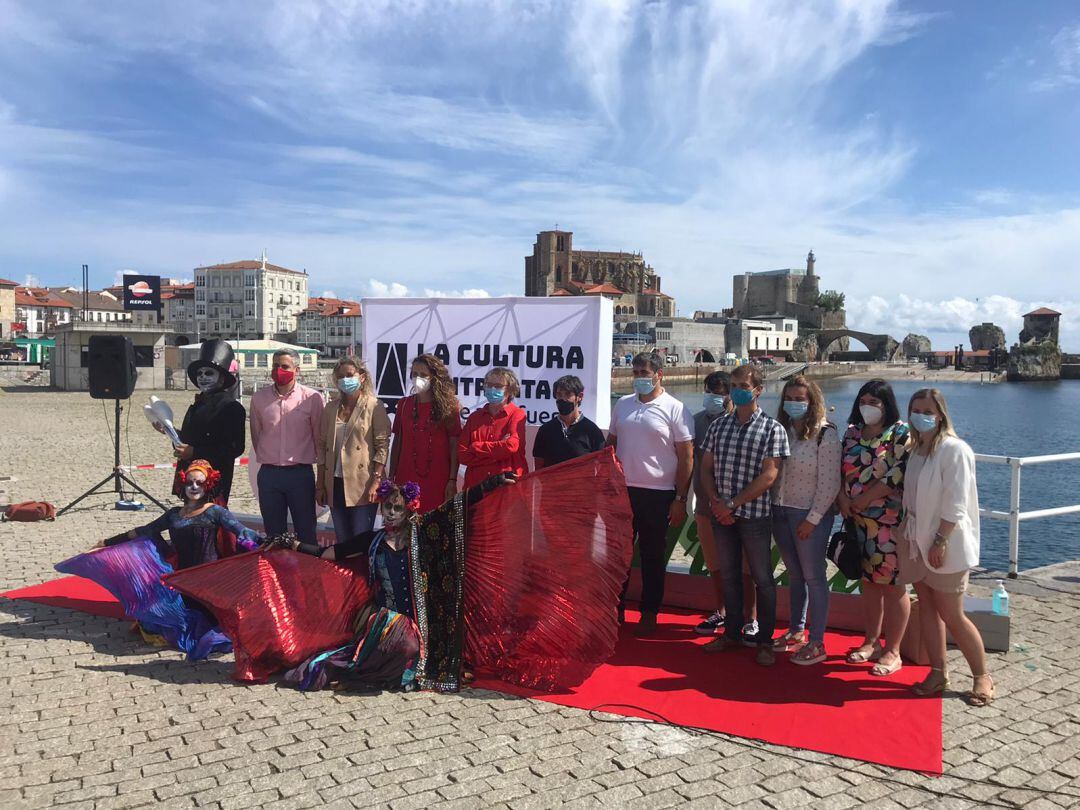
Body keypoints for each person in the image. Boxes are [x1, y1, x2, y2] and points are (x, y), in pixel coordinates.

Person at [280, 474, 516, 692]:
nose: (391, 513)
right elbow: (328, 553)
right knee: (395, 647)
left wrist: (488, 486)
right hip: (383, 620)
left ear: (409, 511)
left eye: (398, 508)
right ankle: (366, 673)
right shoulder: (372, 541)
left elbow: (453, 511)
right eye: (388, 507)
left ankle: (377, 674)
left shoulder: (422, 534)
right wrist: (291, 544)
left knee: (409, 647)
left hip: (417, 623)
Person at [57, 459, 263, 658]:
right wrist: (108, 542)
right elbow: (144, 531)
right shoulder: (174, 514)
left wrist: (266, 542)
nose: (194, 487)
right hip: (181, 580)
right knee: (161, 616)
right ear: (183, 484)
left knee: (207, 624)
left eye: (199, 482)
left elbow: (242, 531)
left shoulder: (215, 512)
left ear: (207, 485)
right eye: (190, 482)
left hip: (209, 583)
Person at [900, 389, 993, 706]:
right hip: (917, 541)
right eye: (915, 409)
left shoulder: (954, 450)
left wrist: (940, 541)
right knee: (926, 607)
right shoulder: (917, 450)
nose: (920, 415)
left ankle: (981, 675)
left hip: (945, 544)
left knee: (953, 614)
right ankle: (938, 671)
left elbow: (956, 504)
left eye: (927, 410)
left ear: (940, 413)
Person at [699, 364, 789, 665]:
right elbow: (706, 468)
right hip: (721, 515)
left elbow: (769, 476)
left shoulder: (773, 429)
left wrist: (731, 504)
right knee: (730, 576)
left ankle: (764, 640)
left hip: (755, 517)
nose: (737, 390)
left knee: (762, 578)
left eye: (743, 385)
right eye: (734, 384)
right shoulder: (718, 426)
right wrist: (715, 502)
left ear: (757, 390)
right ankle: (732, 634)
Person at [607, 351, 694, 636]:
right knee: (618, 556)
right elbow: (611, 444)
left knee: (652, 557)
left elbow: (687, 457)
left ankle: (649, 611)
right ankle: (614, 609)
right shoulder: (622, 405)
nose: (640, 378)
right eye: (636, 373)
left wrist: (680, 498)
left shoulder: (676, 408)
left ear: (659, 375)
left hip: (658, 494)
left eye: (645, 373)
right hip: (623, 492)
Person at [837, 379, 911, 677]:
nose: (868, 407)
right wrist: (843, 499)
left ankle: (893, 650)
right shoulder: (852, 433)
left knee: (893, 585)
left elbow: (898, 473)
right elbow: (840, 468)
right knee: (868, 582)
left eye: (875, 402)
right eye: (864, 401)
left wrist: (866, 498)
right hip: (855, 519)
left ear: (887, 405)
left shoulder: (900, 433)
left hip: (887, 522)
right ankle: (871, 641)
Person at [770, 375, 841, 665]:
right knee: (795, 576)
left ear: (812, 401)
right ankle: (796, 630)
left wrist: (812, 519)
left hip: (808, 514)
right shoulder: (783, 430)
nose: (794, 403)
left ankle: (817, 641)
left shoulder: (826, 435)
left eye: (800, 399)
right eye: (790, 398)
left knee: (814, 577)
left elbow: (829, 483)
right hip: (781, 510)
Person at [691, 371, 758, 637]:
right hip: (707, 507)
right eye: (710, 391)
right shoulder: (695, 422)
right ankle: (722, 611)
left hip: (740, 508)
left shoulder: (742, 423)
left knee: (745, 567)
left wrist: (733, 502)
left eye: (721, 393)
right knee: (715, 565)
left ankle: (749, 617)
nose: (715, 397)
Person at [249, 348, 324, 544]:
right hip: (269, 475)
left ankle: (308, 574)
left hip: (300, 475)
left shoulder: (312, 398)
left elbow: (319, 438)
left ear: (296, 370)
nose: (279, 370)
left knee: (306, 532)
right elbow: (256, 435)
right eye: (275, 366)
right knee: (274, 535)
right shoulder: (259, 398)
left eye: (284, 366)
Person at [316, 356, 391, 544]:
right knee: (342, 540)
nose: (345, 380)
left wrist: (376, 481)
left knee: (360, 540)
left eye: (349, 375)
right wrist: (320, 485)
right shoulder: (330, 408)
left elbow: (382, 446)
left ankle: (361, 574)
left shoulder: (374, 406)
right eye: (340, 376)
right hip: (334, 483)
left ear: (362, 377)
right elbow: (322, 447)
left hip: (362, 484)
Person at [172, 339, 246, 506]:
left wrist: (194, 452)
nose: (203, 377)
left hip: (213, 479)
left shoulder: (231, 408)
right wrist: (172, 433)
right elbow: (191, 438)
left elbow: (234, 448)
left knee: (209, 525)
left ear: (221, 379)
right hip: (190, 475)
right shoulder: (198, 404)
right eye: (200, 373)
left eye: (209, 373)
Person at [388, 354, 462, 512]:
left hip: (438, 479)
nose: (417, 378)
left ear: (435, 377)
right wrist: (391, 475)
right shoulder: (404, 404)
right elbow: (398, 441)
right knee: (406, 527)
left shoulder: (450, 407)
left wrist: (452, 479)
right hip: (405, 478)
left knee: (433, 528)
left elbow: (454, 444)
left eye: (423, 375)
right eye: (414, 374)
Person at [458, 367, 528, 489]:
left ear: (510, 390)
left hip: (507, 488)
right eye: (489, 385)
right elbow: (462, 455)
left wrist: (475, 447)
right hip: (477, 488)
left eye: (498, 386)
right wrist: (500, 451)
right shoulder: (474, 418)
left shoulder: (517, 414)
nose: (492, 389)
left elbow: (511, 446)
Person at [532, 375, 605, 469]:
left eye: (568, 394)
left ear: (580, 397)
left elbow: (601, 467)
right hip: (552, 483)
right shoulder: (545, 430)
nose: (563, 399)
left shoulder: (592, 431)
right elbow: (539, 467)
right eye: (559, 394)